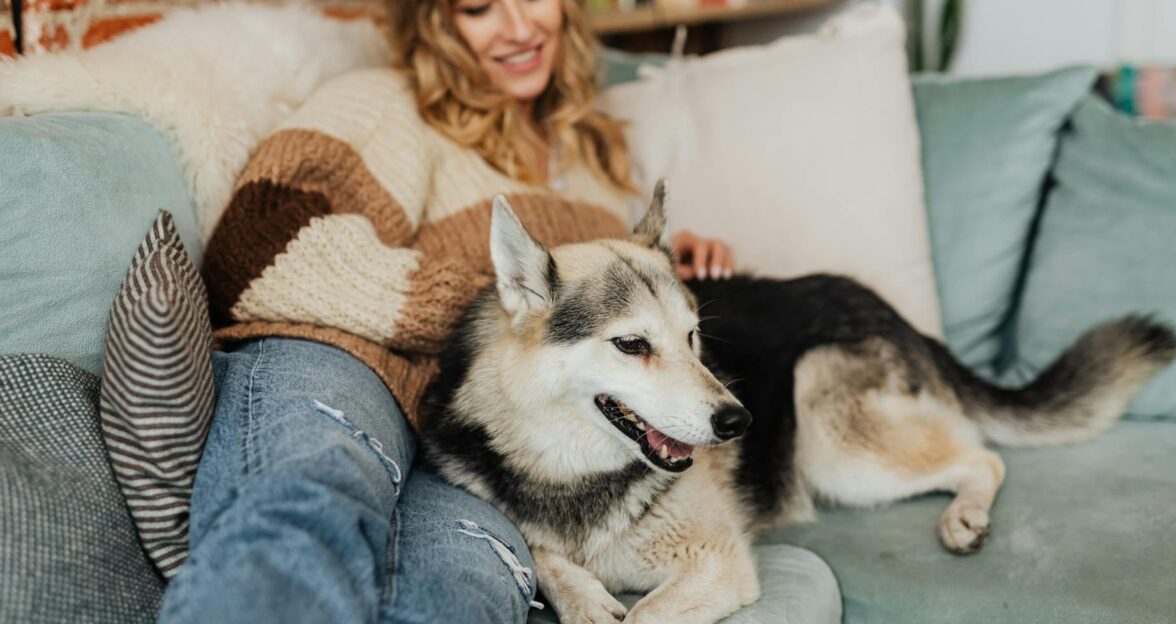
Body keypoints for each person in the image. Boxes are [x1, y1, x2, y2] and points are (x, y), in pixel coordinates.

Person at [157, 0, 840, 622]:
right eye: (480, 7)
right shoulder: (389, 104)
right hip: (339, 363)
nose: (518, 26)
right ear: (437, 24)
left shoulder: (592, 151)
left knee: (460, 595)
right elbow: (258, 242)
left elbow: (600, 317)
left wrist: (660, 271)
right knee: (305, 514)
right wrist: (496, 313)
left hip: (466, 450)